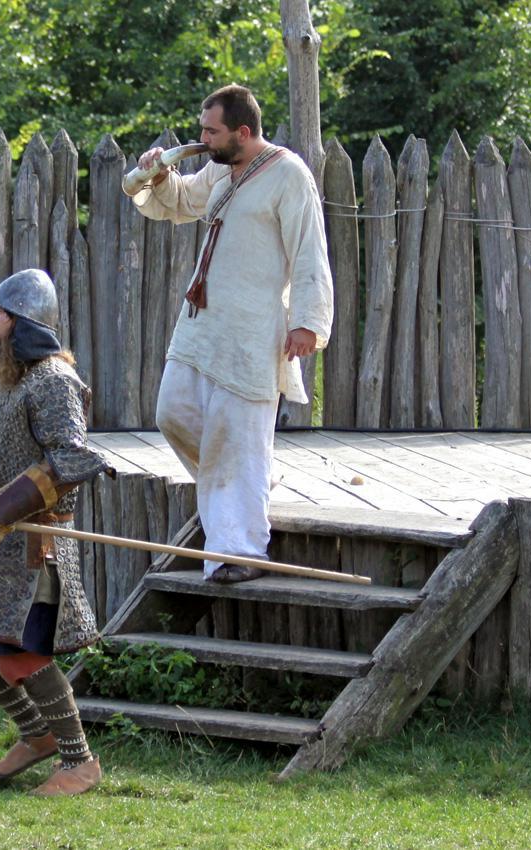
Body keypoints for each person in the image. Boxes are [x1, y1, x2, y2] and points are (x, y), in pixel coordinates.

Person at [126, 84, 333, 582]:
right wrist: (155, 172)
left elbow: (310, 250)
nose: (202, 137)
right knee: (173, 411)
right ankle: (251, 485)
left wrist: (307, 322)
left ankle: (239, 553)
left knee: (236, 437)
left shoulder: (289, 175)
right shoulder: (220, 169)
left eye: (211, 130)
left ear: (243, 131)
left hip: (252, 330)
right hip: (202, 323)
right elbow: (177, 203)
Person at [0, 268, 113, 797]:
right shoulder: (6, 380)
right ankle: (36, 734)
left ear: (26, 323)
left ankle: (80, 761)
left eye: (0, 313)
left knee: (19, 653)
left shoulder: (55, 381)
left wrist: (2, 510)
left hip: (35, 545)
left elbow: (72, 460)